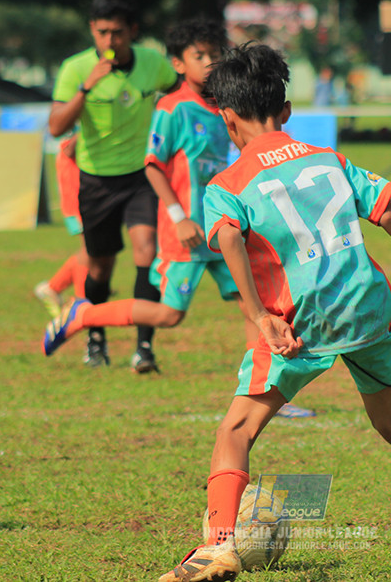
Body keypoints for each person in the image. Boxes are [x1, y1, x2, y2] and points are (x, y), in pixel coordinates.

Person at [156, 43, 391, 581]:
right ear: (286, 110)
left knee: (236, 430)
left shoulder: (226, 184)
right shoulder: (328, 159)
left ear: (227, 118)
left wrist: (259, 315)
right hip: (366, 305)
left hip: (303, 319)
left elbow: (228, 240)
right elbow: (388, 212)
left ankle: (218, 547)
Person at [43, 21, 316, 414]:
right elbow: (152, 165)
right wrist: (178, 217)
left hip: (223, 226)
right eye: (198, 55)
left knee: (253, 305)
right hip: (185, 233)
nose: (208, 62)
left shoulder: (225, 107)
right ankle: (83, 314)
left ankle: (266, 389)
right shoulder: (171, 108)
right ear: (177, 63)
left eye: (214, 54)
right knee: (170, 315)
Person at [49, 0, 179, 369]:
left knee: (146, 252)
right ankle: (95, 339)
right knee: (99, 268)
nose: (110, 40)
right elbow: (56, 126)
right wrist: (86, 88)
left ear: (132, 31)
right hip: (96, 181)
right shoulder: (76, 69)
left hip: (141, 176)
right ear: (92, 29)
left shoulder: (152, 63)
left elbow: (179, 93)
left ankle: (144, 348)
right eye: (103, 32)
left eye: (118, 32)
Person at [34, 135, 89, 321]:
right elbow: (68, 149)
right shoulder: (76, 131)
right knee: (89, 249)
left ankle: (54, 288)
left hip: (85, 196)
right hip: (79, 198)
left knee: (94, 249)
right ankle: (81, 302)